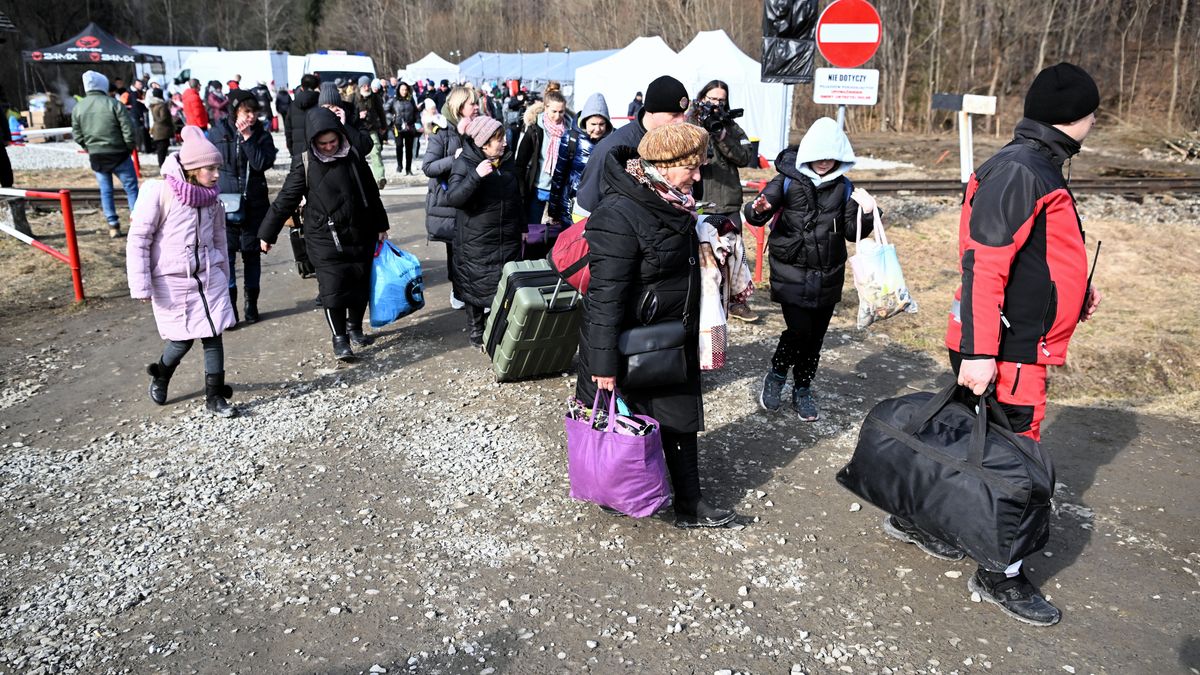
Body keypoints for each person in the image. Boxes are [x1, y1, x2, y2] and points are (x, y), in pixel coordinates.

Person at [879, 62, 1103, 628]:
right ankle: (1002, 571)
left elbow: (1036, 256)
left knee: (961, 436)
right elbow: (985, 263)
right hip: (1006, 349)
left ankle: (919, 521)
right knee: (1017, 459)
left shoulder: (1030, 162)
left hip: (998, 339)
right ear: (1080, 117)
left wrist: (1076, 294)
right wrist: (981, 353)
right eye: (1094, 112)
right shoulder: (1025, 170)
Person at [578, 123, 737, 528]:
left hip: (671, 334)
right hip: (629, 343)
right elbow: (605, 296)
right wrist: (603, 364)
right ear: (663, 167)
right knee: (623, 424)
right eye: (692, 168)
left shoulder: (675, 201)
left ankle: (689, 502)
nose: (699, 177)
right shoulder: (618, 213)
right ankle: (619, 490)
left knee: (680, 420)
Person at [745, 117, 877, 421]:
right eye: (819, 155)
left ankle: (802, 388)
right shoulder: (786, 180)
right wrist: (757, 209)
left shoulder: (844, 186)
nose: (824, 162)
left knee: (815, 338)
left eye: (831, 156)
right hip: (791, 269)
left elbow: (849, 230)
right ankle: (777, 375)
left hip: (829, 273)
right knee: (799, 330)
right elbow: (755, 215)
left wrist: (867, 213)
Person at [258, 107, 389, 362]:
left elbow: (371, 193)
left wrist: (381, 224)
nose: (329, 147)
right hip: (324, 236)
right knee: (333, 289)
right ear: (312, 141)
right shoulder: (305, 163)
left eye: (333, 141)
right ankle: (340, 338)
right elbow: (285, 200)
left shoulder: (353, 155)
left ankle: (355, 327)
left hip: (360, 231)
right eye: (323, 143)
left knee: (360, 284)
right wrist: (267, 234)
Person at [126, 126, 237, 417]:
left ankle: (215, 397)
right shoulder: (160, 192)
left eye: (217, 168)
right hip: (172, 280)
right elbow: (139, 239)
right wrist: (140, 286)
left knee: (214, 334)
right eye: (210, 168)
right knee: (182, 339)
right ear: (191, 169)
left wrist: (224, 273)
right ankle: (161, 374)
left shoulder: (212, 199)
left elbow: (219, 239)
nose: (216, 175)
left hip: (209, 276)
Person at [444, 116, 521, 349]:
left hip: (506, 236)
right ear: (483, 143)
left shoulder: (506, 162)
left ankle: (495, 324)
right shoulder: (465, 163)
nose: (505, 143)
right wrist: (475, 176)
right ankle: (476, 330)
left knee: (502, 284)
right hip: (475, 238)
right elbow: (454, 198)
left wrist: (524, 228)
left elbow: (518, 197)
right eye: (499, 140)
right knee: (474, 284)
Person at [209, 90, 278, 326]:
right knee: (225, 260)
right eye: (246, 112)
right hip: (224, 207)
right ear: (235, 110)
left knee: (252, 257)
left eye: (254, 113)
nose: (251, 117)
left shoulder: (261, 135)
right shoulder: (218, 133)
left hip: (254, 206)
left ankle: (251, 304)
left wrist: (248, 137)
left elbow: (261, 163)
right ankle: (229, 308)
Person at [574, 75, 690, 217]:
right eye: (674, 114)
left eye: (683, 114)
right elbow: (586, 205)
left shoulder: (676, 141)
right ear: (652, 111)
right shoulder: (614, 147)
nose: (681, 121)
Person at [692, 80, 758, 322]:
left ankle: (734, 301)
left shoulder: (731, 127)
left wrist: (722, 134)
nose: (716, 104)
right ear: (702, 98)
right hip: (699, 201)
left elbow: (745, 156)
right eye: (712, 99)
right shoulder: (689, 123)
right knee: (700, 257)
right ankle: (700, 300)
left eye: (721, 100)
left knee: (733, 256)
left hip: (728, 201)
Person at [422, 86, 479, 311]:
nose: (476, 107)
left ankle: (471, 290)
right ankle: (458, 290)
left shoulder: (477, 128)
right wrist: (453, 159)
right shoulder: (442, 132)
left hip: (473, 198)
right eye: (472, 104)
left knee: (472, 248)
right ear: (459, 107)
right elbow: (428, 167)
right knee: (455, 250)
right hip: (448, 201)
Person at [71, 70, 139, 239]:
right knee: (131, 189)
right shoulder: (114, 104)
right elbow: (128, 129)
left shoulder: (79, 107)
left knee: (106, 191)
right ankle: (137, 223)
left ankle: (113, 225)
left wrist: (89, 147)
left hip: (97, 155)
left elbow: (77, 134)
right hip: (119, 153)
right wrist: (128, 147)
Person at [514, 89, 570, 248]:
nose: (557, 116)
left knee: (556, 234)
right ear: (545, 108)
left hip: (558, 191)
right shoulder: (534, 130)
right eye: (554, 111)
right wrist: (522, 189)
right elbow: (520, 163)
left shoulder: (568, 132)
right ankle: (528, 262)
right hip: (537, 189)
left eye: (561, 112)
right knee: (532, 231)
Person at [546, 93, 612, 225]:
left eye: (602, 124)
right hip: (571, 207)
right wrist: (553, 210)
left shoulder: (613, 140)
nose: (597, 129)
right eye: (593, 124)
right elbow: (559, 176)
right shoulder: (571, 139)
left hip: (601, 208)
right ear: (584, 121)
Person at [353, 76, 388, 187]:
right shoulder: (353, 98)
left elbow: (381, 112)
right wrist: (358, 116)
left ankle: (380, 177)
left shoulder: (374, 97)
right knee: (357, 154)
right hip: (358, 129)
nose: (367, 87)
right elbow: (348, 114)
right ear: (360, 86)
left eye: (368, 85)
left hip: (372, 129)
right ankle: (359, 180)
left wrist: (383, 126)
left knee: (376, 151)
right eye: (364, 85)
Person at [285, 74, 320, 162]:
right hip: (318, 149)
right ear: (317, 86)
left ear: (301, 87)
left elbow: (288, 130)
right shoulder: (320, 103)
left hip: (298, 150)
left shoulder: (293, 105)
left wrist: (291, 150)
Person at [389, 81, 419, 175]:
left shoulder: (411, 99)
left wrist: (417, 122)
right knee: (399, 146)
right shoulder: (394, 100)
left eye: (406, 89)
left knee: (409, 148)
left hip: (409, 127)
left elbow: (415, 112)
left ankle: (408, 168)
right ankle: (399, 165)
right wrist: (392, 118)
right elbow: (385, 110)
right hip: (398, 127)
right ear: (398, 90)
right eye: (402, 89)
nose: (404, 91)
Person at [147, 88, 174, 166]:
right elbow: (163, 118)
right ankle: (162, 165)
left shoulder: (153, 105)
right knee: (163, 149)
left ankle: (161, 164)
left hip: (156, 130)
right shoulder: (161, 105)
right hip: (163, 130)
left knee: (160, 150)